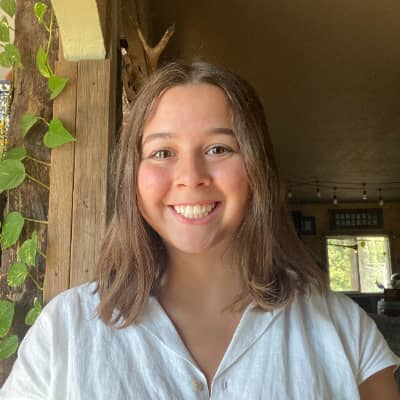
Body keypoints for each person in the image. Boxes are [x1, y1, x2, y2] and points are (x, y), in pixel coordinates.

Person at [1, 61, 399, 400]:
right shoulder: (64, 331)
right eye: (162, 152)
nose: (191, 177)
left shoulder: (343, 330)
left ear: (258, 167)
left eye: (218, 149)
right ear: (131, 176)